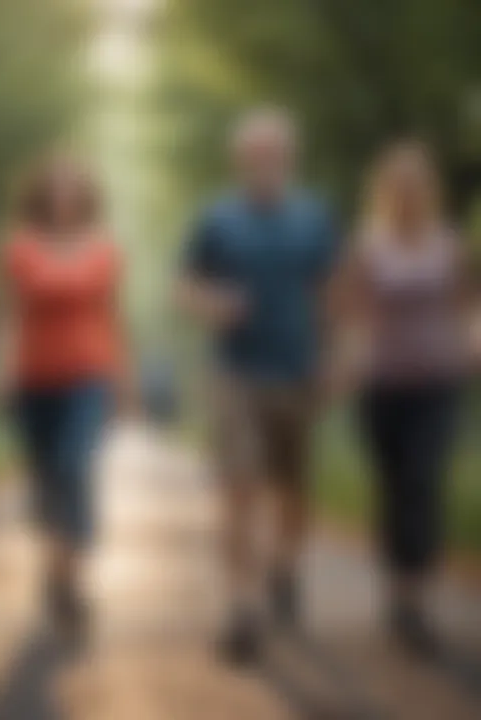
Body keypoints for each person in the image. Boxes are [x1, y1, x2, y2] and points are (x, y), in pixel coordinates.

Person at [177, 108, 338, 661]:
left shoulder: (315, 217)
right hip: (236, 373)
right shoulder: (216, 220)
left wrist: (333, 356)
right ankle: (242, 607)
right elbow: (186, 288)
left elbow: (329, 294)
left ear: (289, 158)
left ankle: (284, 567)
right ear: (240, 160)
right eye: (255, 153)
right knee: (239, 488)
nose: (265, 161)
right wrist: (210, 303)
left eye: (275, 153)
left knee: (293, 491)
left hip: (297, 371)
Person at [332, 141, 471, 656]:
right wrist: (346, 363)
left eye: (417, 184)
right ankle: (397, 590)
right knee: (393, 488)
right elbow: (350, 313)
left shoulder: (448, 244)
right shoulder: (367, 247)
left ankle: (417, 599)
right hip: (383, 385)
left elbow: (466, 307)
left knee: (423, 481)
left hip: (437, 381)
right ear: (386, 191)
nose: (409, 193)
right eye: (399, 185)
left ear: (428, 190)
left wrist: (474, 341)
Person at [0, 155, 130, 636]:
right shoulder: (19, 246)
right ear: (40, 194)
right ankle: (55, 568)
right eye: (54, 187)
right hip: (33, 377)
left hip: (88, 376)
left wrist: (124, 382)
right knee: (45, 476)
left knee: (75, 467)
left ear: (86, 196)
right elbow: (20, 301)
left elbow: (112, 314)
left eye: (73, 188)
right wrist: (1, 368)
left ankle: (69, 578)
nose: (63, 196)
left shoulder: (105, 248)